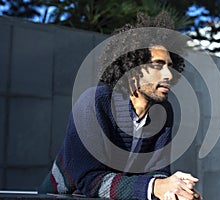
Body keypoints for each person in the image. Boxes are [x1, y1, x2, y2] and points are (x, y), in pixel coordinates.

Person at [38, 12, 201, 200]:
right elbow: (87, 179)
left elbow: (157, 173)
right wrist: (154, 186)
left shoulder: (164, 112)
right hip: (61, 195)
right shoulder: (94, 102)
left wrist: (176, 190)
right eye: (158, 65)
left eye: (170, 66)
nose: (169, 75)